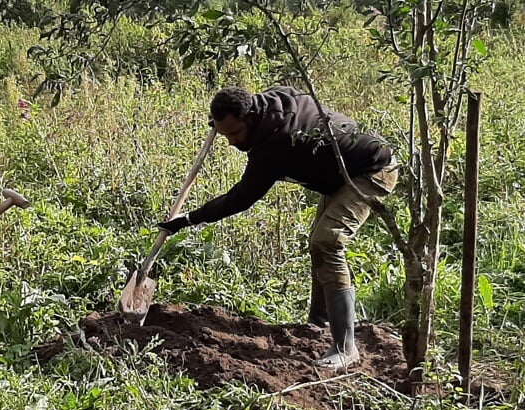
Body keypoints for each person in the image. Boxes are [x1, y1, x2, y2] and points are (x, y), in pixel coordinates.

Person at [157, 86, 398, 372]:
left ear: (250, 117)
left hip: (372, 169)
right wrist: (222, 122)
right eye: (225, 135)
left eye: (235, 133)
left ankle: (346, 348)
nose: (232, 141)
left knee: (327, 241)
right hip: (340, 174)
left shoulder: (276, 143)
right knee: (319, 243)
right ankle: (319, 324)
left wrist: (189, 219)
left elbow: (241, 198)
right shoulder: (272, 101)